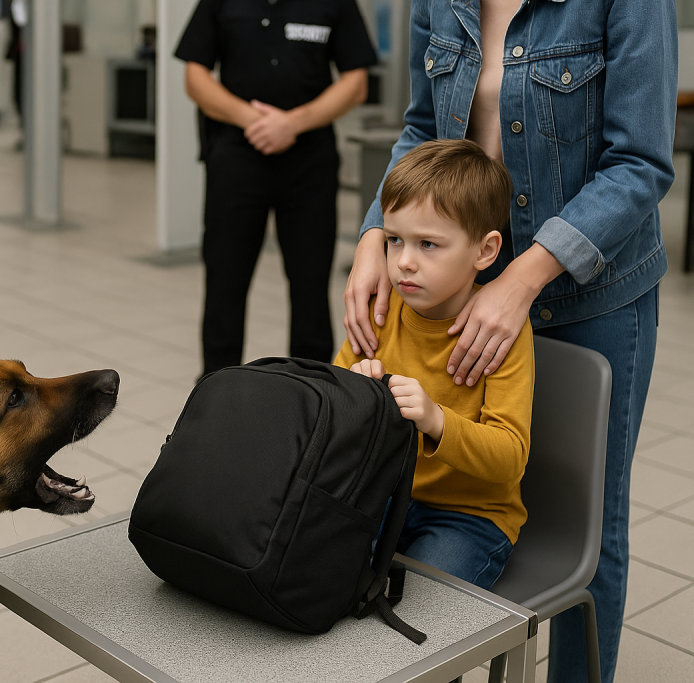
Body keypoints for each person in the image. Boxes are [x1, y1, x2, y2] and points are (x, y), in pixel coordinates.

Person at [341, 2, 677, 681]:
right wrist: (375, 235)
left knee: (592, 520)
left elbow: (638, 162)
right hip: (459, 273)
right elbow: (421, 128)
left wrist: (521, 278)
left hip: (591, 288)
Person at [335, 138, 532, 589]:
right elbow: (331, 415)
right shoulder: (382, 309)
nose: (403, 262)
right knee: (323, 572)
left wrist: (434, 419)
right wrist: (352, 391)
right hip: (382, 494)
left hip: (469, 516)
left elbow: (509, 458)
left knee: (414, 609)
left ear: (485, 251)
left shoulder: (503, 332)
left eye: (428, 244)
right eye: (394, 240)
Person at [174, 0, 376, 377]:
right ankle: (217, 395)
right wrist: (254, 120)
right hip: (236, 158)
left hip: (309, 163)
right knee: (224, 284)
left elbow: (356, 83)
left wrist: (292, 124)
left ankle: (311, 398)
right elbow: (195, 77)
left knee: (311, 287)